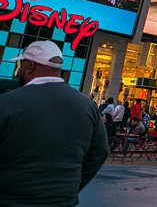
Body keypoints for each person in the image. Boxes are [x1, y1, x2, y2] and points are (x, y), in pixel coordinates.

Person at [0, 40, 108, 205]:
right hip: (63, 200)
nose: (19, 70)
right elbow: (100, 152)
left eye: (21, 65)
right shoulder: (87, 106)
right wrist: (69, 186)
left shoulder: (7, 103)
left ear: (30, 66)